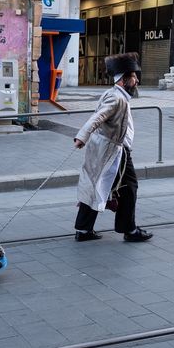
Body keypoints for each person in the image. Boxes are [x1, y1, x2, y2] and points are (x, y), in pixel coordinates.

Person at [73, 52, 153, 243]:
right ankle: (129, 230)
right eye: (134, 77)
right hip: (114, 152)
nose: (137, 81)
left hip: (107, 149)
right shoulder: (116, 98)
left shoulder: (117, 95)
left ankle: (83, 230)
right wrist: (82, 137)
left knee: (96, 185)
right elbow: (97, 117)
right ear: (124, 79)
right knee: (129, 187)